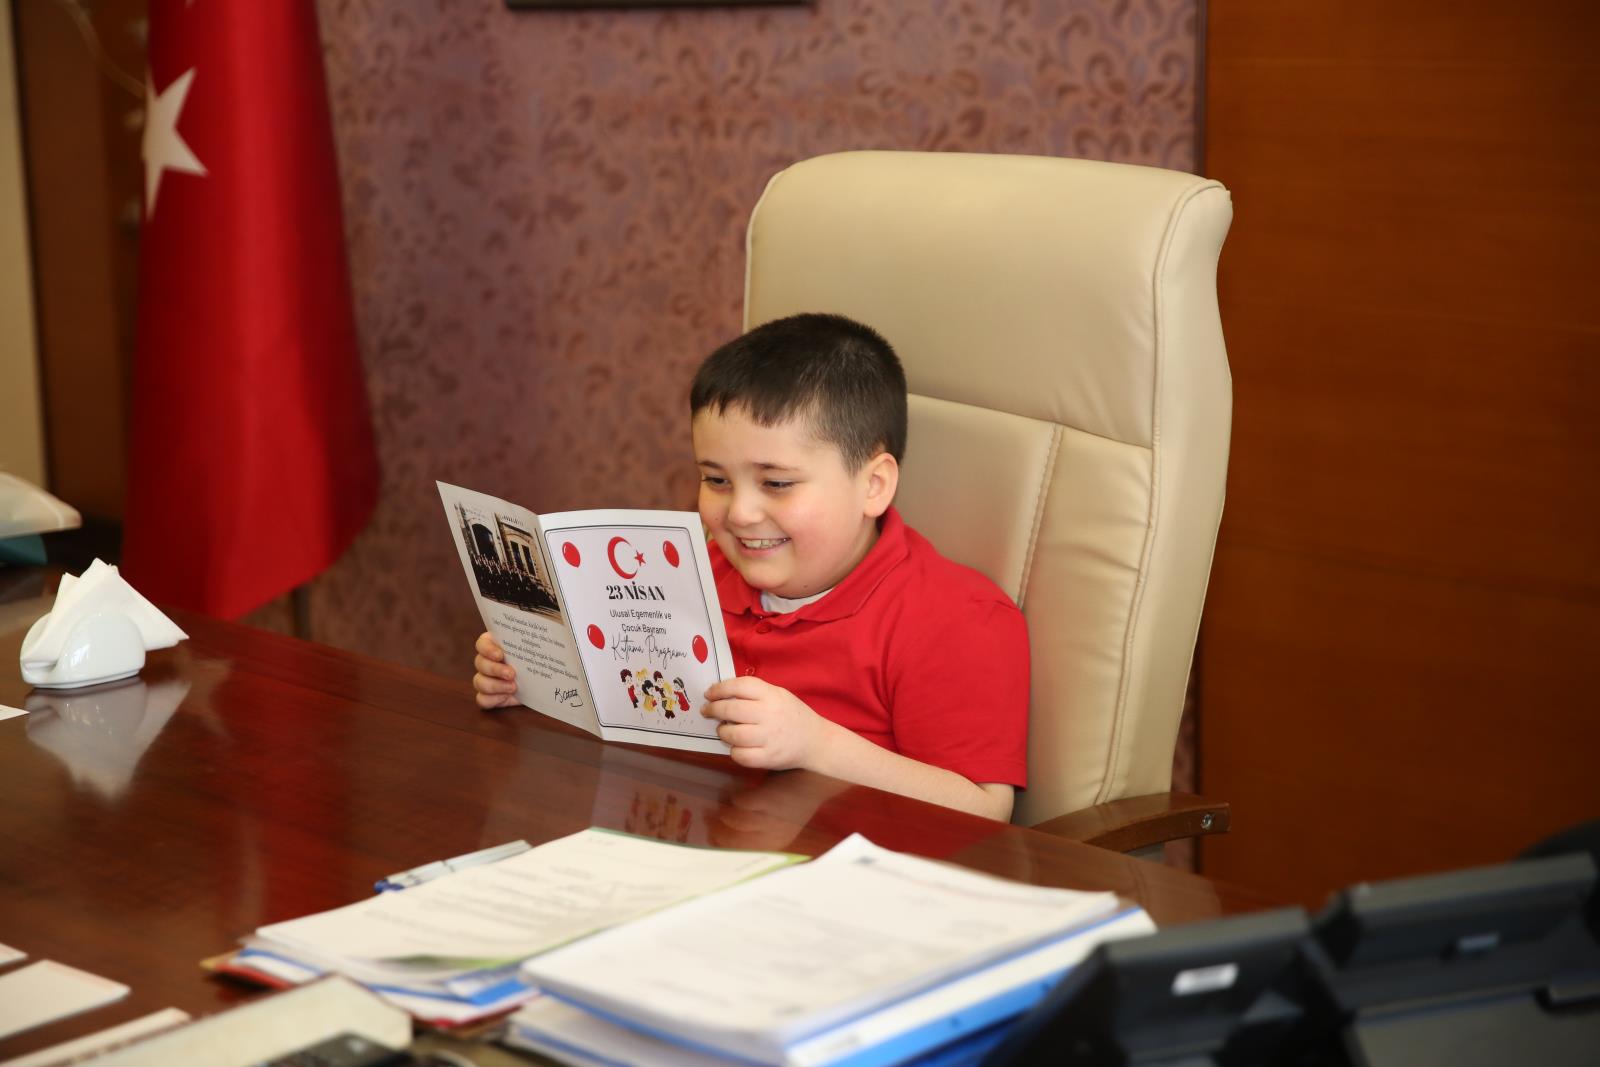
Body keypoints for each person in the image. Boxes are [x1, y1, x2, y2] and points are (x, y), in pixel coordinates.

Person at [472, 313, 1028, 821]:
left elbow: (984, 813)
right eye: (715, 479)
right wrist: (542, 678)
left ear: (874, 485)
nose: (738, 513)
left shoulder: (954, 619)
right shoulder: (684, 576)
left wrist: (816, 745)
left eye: (776, 483)